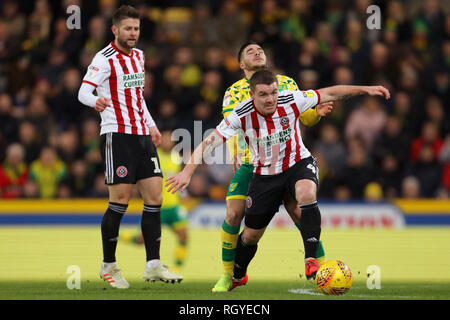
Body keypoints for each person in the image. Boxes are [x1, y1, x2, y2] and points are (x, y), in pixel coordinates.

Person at [166, 69, 390, 290]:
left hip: (297, 164)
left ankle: (311, 259)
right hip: (264, 176)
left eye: (273, 92)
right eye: (263, 94)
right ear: (252, 95)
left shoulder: (291, 99)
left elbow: (331, 92)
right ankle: (238, 274)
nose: (270, 99)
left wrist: (364, 89)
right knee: (251, 235)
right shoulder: (240, 114)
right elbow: (208, 143)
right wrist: (187, 172)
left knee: (306, 193)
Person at [78, 5, 182, 289]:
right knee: (120, 200)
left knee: (155, 196)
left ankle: (152, 265)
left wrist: (150, 124)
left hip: (141, 135)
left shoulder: (139, 56)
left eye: (136, 28)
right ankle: (108, 265)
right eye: (127, 28)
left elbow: (138, 98)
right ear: (115, 30)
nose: (133, 33)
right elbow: (83, 91)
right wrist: (95, 101)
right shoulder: (104, 59)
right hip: (116, 135)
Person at [213, 42, 327, 292]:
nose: (257, 51)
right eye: (250, 51)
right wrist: (235, 151)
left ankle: (321, 268)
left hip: (287, 160)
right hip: (251, 162)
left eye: (260, 49)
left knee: (299, 211)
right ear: (241, 64)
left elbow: (305, 116)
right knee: (234, 214)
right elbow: (232, 125)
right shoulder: (234, 92)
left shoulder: (286, 83)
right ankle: (227, 275)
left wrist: (316, 112)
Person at [121, 128, 189, 272]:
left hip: (174, 207)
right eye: (165, 138)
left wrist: (184, 193)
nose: (167, 142)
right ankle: (121, 236)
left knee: (183, 236)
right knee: (142, 240)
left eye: (170, 139)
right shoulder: (153, 156)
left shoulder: (177, 158)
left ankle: (177, 268)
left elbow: (179, 178)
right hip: (158, 206)